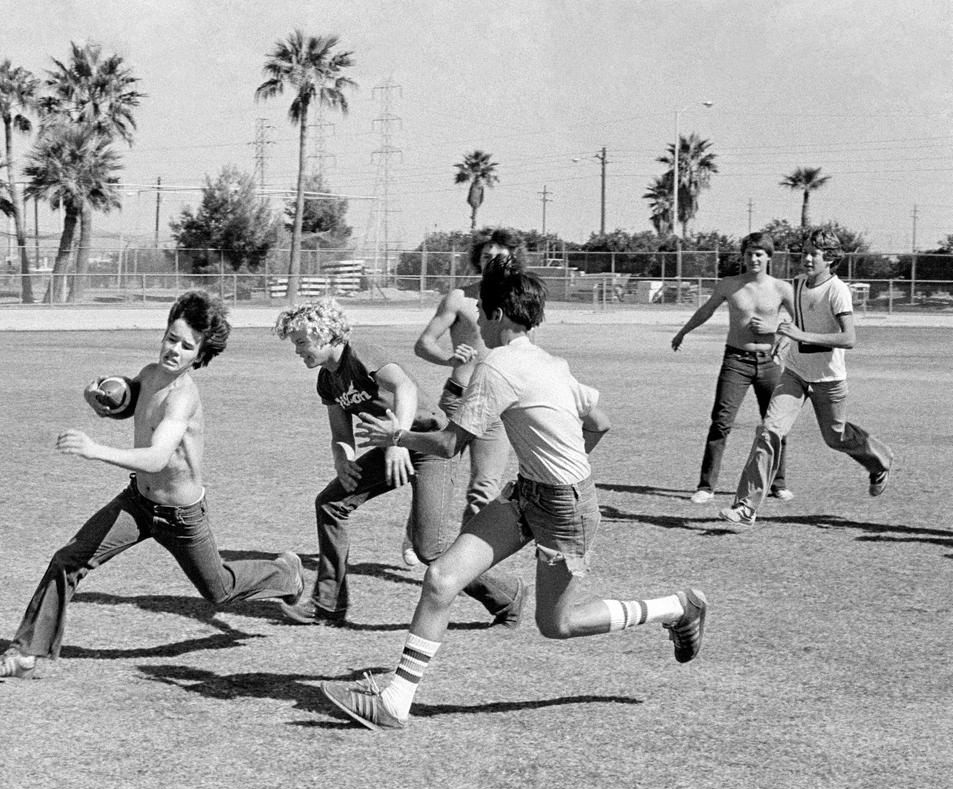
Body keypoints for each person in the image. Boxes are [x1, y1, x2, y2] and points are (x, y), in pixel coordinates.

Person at [320, 257, 708, 730]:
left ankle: (675, 608)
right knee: (442, 576)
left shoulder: (498, 365)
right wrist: (559, 467)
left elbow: (448, 444)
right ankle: (396, 701)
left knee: (557, 624)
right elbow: (600, 422)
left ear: (499, 315)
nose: (476, 320)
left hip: (564, 509)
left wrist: (395, 438)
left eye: (481, 311)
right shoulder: (550, 361)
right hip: (533, 493)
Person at [0, 291, 305, 681]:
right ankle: (24, 655)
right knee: (68, 560)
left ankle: (286, 576)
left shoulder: (184, 396)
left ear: (200, 354)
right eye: (171, 337)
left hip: (181, 516)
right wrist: (99, 397)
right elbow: (127, 403)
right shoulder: (149, 373)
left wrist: (95, 450)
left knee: (219, 590)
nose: (174, 350)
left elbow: (158, 456)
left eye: (186, 346)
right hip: (138, 504)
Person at [272, 298, 525, 628]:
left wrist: (398, 439)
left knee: (428, 549)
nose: (297, 351)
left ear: (325, 335)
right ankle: (327, 604)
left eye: (302, 342)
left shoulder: (360, 352)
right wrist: (343, 461)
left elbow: (403, 385)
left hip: (429, 443)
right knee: (331, 504)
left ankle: (508, 596)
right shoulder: (327, 380)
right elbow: (340, 434)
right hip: (394, 446)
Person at [718, 229, 894, 527]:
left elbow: (849, 338)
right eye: (806, 252)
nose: (808, 258)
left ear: (831, 259)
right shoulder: (798, 284)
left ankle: (880, 461)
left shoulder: (837, 290)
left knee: (835, 437)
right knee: (769, 430)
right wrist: (783, 338)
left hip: (829, 380)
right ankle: (747, 506)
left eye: (816, 253)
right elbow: (796, 323)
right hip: (796, 373)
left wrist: (800, 334)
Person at [405, 227, 526, 565]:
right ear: (478, 260)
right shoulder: (459, 298)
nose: (492, 262)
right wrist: (448, 359)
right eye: (486, 256)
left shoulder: (519, 301)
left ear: (512, 260)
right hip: (458, 400)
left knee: (484, 489)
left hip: (497, 407)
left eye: (499, 257)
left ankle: (461, 561)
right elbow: (423, 343)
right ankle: (415, 532)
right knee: (435, 475)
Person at [671, 232, 796, 505]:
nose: (754, 258)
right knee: (721, 422)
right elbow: (705, 310)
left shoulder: (781, 288)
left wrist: (775, 330)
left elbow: (800, 325)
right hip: (735, 361)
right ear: (743, 256)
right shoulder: (729, 284)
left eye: (759, 254)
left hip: (770, 362)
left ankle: (778, 483)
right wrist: (683, 332)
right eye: (750, 253)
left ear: (769, 258)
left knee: (774, 425)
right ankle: (706, 486)